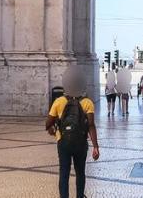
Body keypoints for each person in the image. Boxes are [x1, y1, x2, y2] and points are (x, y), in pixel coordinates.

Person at [45, 68, 100, 198]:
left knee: (64, 173)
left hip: (63, 142)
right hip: (81, 143)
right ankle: (80, 196)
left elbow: (48, 123)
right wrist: (96, 146)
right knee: (80, 173)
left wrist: (52, 131)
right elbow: (91, 125)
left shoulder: (59, 102)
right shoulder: (87, 103)